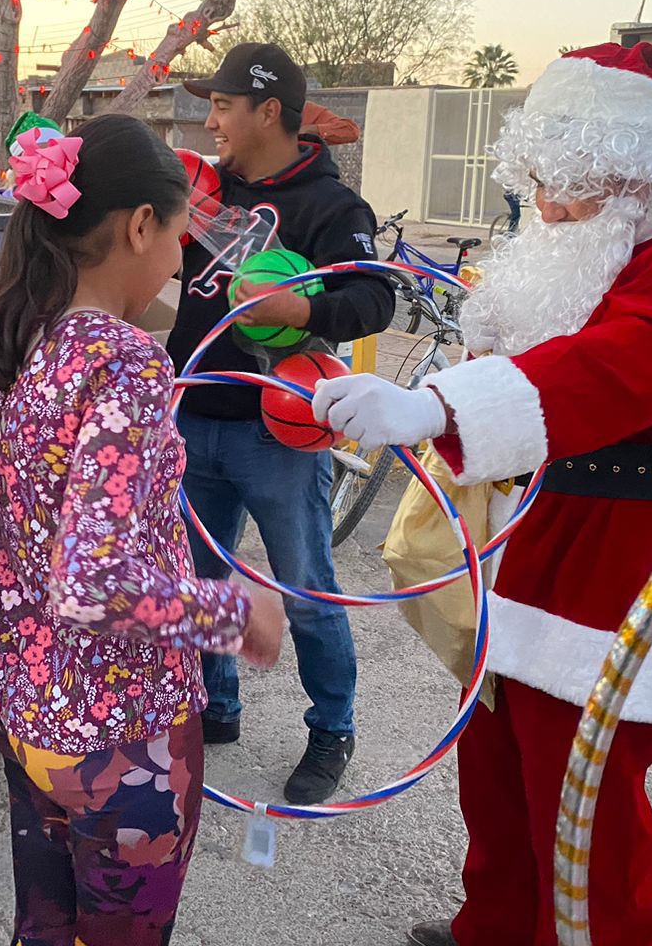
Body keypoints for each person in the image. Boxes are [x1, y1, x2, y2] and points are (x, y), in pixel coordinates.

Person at [312, 43, 652, 946]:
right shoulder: (596, 243)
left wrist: (434, 408)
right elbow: (533, 355)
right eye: (537, 181)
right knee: (496, 764)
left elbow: (619, 367)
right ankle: (495, 928)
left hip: (633, 558)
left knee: (586, 801)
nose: (544, 208)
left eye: (562, 184)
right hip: (537, 533)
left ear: (635, 173)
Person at [0, 114, 284, 945]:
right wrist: (232, 613)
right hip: (123, 738)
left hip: (21, 708)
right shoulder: (122, 360)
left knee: (43, 930)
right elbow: (97, 583)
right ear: (141, 225)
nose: (182, 260)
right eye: (181, 235)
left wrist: (19, 578)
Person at [170, 43, 396, 804]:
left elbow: (373, 300)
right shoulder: (206, 192)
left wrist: (302, 309)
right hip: (193, 411)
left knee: (305, 588)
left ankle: (331, 729)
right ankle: (216, 707)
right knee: (200, 578)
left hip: (278, 431)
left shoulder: (332, 208)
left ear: (269, 110)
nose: (212, 121)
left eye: (224, 105)